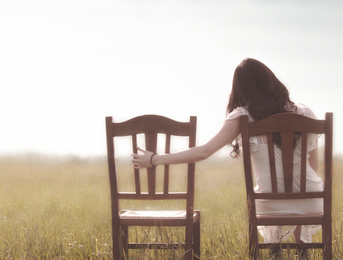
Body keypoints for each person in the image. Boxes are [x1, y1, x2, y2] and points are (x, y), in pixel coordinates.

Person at [131, 58, 323, 248]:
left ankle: (274, 251)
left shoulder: (243, 116)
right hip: (312, 199)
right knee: (299, 191)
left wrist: (155, 159)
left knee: (273, 194)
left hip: (268, 203)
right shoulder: (305, 113)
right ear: (271, 80)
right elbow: (313, 163)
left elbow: (204, 151)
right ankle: (301, 247)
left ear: (241, 89)